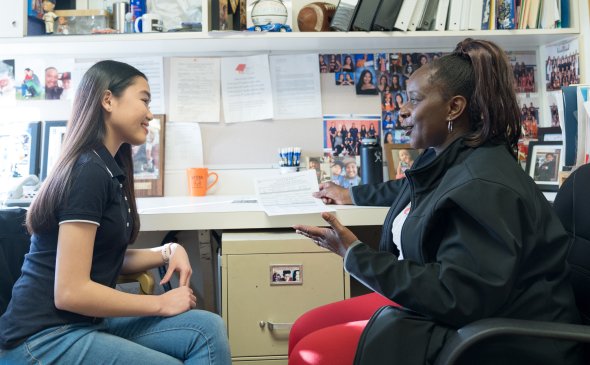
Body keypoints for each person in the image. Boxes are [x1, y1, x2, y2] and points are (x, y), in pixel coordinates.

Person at [289, 39, 582, 365]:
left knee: (311, 352)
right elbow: (410, 190)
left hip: (503, 337)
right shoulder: (447, 160)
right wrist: (353, 194)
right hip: (457, 312)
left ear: (454, 108)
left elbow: (457, 296)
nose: (401, 109)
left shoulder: (482, 187)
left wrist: (355, 255)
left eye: (413, 100)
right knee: (303, 326)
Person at [0, 60, 231, 364]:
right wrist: (160, 304)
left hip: (82, 322)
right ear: (108, 100)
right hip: (42, 337)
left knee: (207, 328)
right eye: (144, 99)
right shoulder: (87, 172)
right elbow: (70, 292)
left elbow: (103, 258)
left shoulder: (107, 168)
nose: (150, 113)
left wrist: (167, 250)